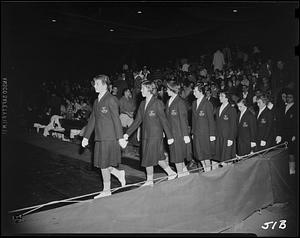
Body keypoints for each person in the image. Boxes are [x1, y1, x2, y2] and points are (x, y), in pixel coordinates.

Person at [123, 80, 177, 186]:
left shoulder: (157, 103)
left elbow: (164, 120)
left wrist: (169, 136)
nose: (141, 90)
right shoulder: (142, 104)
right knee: (157, 157)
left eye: (143, 88)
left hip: (155, 135)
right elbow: (137, 120)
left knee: (148, 157)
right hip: (146, 135)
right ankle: (171, 173)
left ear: (149, 89)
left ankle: (149, 180)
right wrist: (127, 134)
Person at [81, 75, 127, 199]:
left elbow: (116, 120)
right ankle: (118, 173)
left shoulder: (111, 99)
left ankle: (107, 190)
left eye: (97, 84)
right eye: (94, 84)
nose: (94, 86)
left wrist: (120, 138)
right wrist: (86, 137)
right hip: (99, 137)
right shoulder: (96, 101)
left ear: (105, 85)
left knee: (103, 165)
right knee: (103, 163)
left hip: (110, 137)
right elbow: (92, 120)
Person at [165, 81, 191, 178]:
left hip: (179, 133)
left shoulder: (180, 102)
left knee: (177, 156)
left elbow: (183, 120)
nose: (166, 91)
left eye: (167, 89)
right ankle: (185, 172)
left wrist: (185, 135)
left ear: (172, 90)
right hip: (171, 133)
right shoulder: (168, 101)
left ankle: (180, 176)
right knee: (175, 154)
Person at [192, 83, 216, 172]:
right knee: (199, 153)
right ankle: (205, 169)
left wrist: (212, 134)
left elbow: (211, 120)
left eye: (195, 91)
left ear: (201, 92)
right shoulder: (194, 103)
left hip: (205, 133)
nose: (193, 93)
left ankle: (208, 171)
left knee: (206, 154)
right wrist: (193, 132)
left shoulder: (207, 104)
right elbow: (193, 120)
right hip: (197, 133)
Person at [275, 89, 297, 175]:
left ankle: (292, 170)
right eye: (287, 97)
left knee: (291, 152)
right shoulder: (284, 107)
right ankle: (285, 169)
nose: (288, 99)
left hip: (291, 134)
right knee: (284, 151)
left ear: (294, 98)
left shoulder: (295, 108)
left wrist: (295, 135)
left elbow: (296, 123)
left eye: (290, 97)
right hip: (283, 133)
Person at [215, 91, 238, 166]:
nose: (220, 98)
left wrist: (231, 138)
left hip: (227, 137)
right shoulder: (218, 108)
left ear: (227, 98)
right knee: (221, 159)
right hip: (219, 137)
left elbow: (233, 125)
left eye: (222, 96)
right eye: (219, 96)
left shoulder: (232, 109)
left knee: (227, 158)